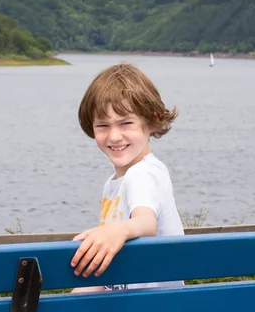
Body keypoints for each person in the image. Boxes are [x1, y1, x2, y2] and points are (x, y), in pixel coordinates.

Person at [70, 63, 185, 293]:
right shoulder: (115, 184)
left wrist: (118, 230)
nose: (114, 136)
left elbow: (146, 223)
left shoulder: (142, 174)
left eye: (126, 123)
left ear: (150, 121)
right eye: (103, 125)